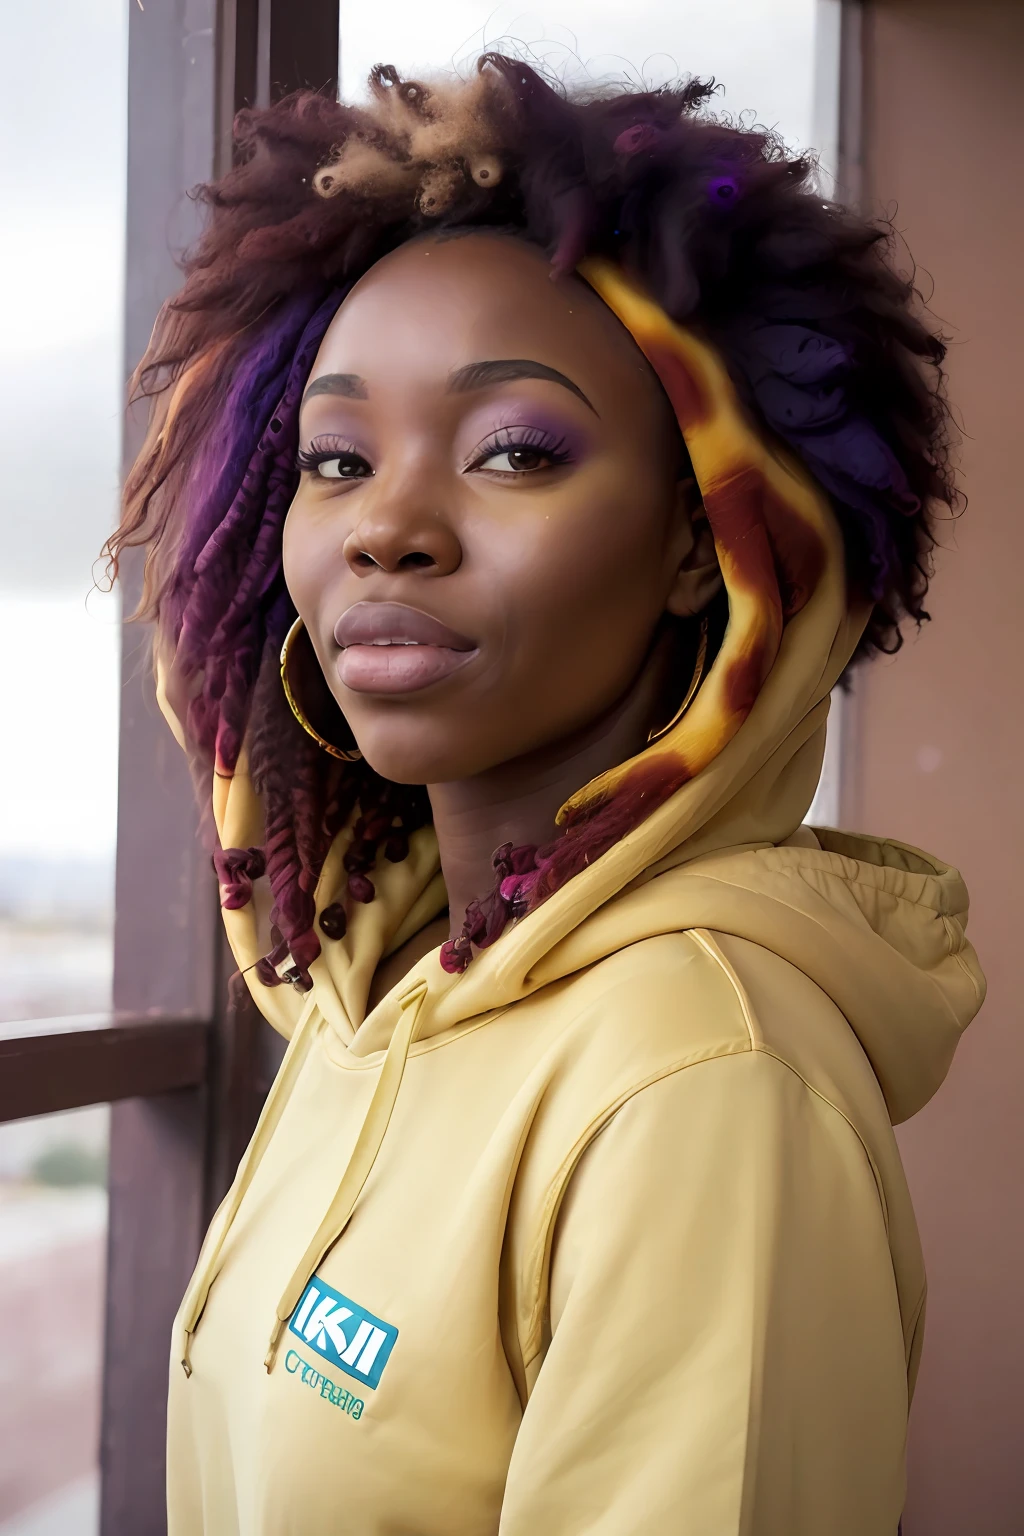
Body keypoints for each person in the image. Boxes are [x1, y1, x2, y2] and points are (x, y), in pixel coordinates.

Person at [109, 56, 985, 1534]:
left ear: (706, 543)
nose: (387, 526)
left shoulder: (704, 1089)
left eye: (514, 449)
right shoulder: (361, 988)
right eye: (336, 459)